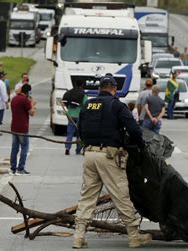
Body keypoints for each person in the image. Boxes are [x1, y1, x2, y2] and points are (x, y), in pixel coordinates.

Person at [73, 74, 151, 249]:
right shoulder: (117, 105)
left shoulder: (88, 104)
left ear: (100, 88)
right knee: (120, 195)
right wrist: (140, 146)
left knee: (87, 197)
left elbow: (81, 129)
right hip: (109, 156)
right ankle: (133, 236)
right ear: (114, 89)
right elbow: (133, 128)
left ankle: (78, 236)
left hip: (90, 154)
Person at [9, 84, 34, 175]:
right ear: (28, 92)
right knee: (24, 147)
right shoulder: (25, 100)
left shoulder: (14, 99)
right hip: (22, 128)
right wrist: (32, 104)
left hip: (14, 127)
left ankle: (13, 168)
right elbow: (32, 113)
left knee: (14, 148)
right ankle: (20, 168)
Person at [62, 80, 87, 155]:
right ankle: (78, 150)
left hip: (70, 116)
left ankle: (67, 148)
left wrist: (68, 110)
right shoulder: (83, 94)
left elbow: (66, 103)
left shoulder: (70, 93)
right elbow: (85, 105)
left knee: (70, 133)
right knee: (79, 134)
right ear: (82, 85)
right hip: (79, 116)